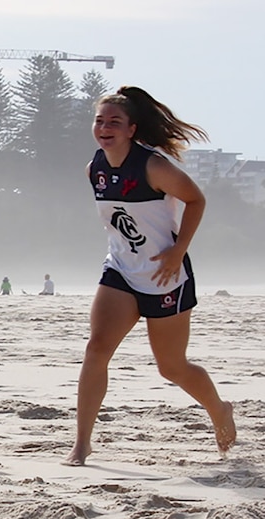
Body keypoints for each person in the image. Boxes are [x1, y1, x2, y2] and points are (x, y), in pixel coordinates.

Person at [65, 86, 235, 466]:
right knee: (96, 350)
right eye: (99, 121)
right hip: (121, 270)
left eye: (114, 122)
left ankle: (219, 409)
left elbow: (196, 200)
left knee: (171, 366)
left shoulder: (153, 166)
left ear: (131, 129)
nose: (105, 127)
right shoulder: (94, 168)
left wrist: (178, 251)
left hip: (165, 274)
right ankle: (81, 445)